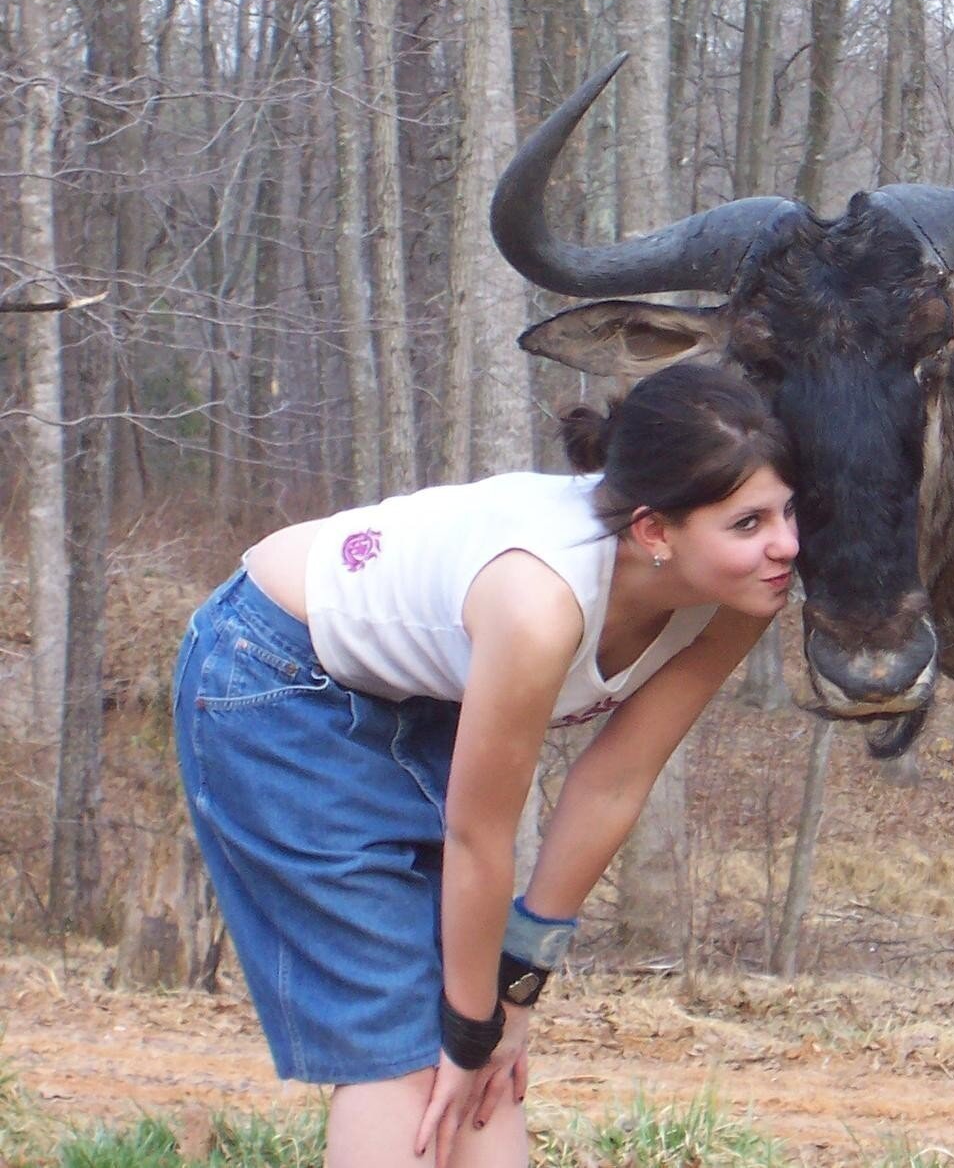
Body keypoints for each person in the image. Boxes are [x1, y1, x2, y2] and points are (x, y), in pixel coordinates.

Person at [171, 363, 800, 1168]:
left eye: (787, 510)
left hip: (416, 697)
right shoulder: (540, 601)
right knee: (401, 1055)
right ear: (654, 531)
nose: (785, 543)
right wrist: (472, 1025)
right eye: (748, 523)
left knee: (487, 1071)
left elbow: (614, 781)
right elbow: (479, 835)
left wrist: (514, 992)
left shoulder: (746, 594)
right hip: (274, 676)